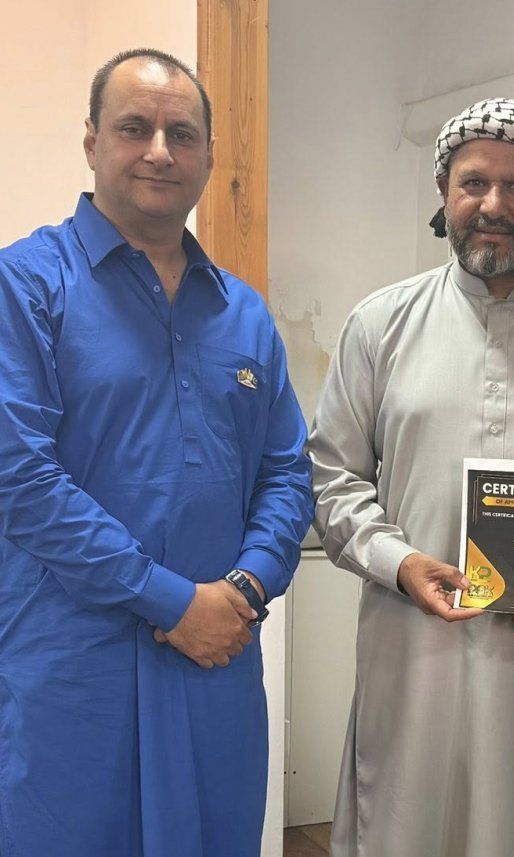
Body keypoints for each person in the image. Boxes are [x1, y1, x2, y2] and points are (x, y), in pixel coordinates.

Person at [0, 49, 313, 857]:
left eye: (182, 133)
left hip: (215, 667)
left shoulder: (244, 314)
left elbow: (286, 472)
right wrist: (169, 599)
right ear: (92, 143)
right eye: (134, 128)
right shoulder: (27, 286)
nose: (159, 151)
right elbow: (21, 478)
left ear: (210, 154)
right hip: (75, 669)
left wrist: (244, 587)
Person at [307, 98, 514, 857]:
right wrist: (400, 561)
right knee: (401, 821)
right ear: (445, 196)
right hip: (408, 648)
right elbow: (330, 477)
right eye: (472, 183)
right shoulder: (378, 324)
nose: (492, 205)